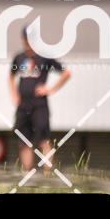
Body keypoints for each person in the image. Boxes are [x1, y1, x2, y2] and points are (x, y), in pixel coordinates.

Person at [8, 27, 71, 171]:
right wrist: (14, 95)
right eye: (25, 39)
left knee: (43, 140)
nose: (27, 42)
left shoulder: (44, 58)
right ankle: (27, 174)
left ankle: (47, 175)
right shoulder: (19, 58)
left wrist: (50, 89)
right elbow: (10, 76)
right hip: (23, 106)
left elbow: (66, 72)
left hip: (39, 105)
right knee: (23, 141)